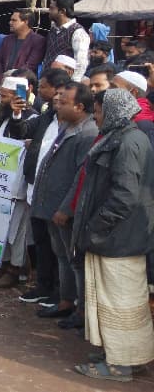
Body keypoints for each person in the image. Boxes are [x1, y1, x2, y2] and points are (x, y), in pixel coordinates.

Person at [71, 88, 154, 382]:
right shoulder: (124, 137)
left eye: (99, 110)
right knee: (121, 301)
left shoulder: (128, 142)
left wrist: (96, 227)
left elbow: (124, 196)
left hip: (117, 237)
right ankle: (127, 357)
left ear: (113, 111)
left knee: (118, 302)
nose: (96, 116)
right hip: (117, 235)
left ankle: (120, 365)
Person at [31, 82, 98, 323]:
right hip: (52, 206)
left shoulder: (87, 133)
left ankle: (80, 310)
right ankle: (66, 302)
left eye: (64, 102)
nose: (58, 104)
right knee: (61, 255)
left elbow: (81, 177)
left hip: (65, 210)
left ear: (80, 106)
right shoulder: (68, 126)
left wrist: (67, 208)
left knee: (74, 260)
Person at [10, 67, 72, 303]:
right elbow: (23, 131)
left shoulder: (76, 126)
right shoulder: (46, 117)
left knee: (60, 250)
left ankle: (60, 293)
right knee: (42, 243)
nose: (56, 100)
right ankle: (43, 285)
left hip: (58, 197)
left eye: (45, 87)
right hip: (35, 190)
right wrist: (17, 115)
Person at [0, 75, 38, 288]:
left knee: (18, 231)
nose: (1, 99)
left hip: (18, 186)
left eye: (5, 96)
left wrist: (17, 113)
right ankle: (1, 264)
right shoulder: (1, 116)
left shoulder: (32, 117)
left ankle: (16, 270)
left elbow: (21, 133)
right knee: (0, 227)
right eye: (0, 95)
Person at [43, 0, 89, 82]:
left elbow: (81, 62)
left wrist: (73, 84)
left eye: (52, 8)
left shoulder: (78, 32)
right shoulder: (53, 30)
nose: (49, 11)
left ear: (62, 12)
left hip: (64, 83)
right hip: (49, 81)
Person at [0, 9, 46, 83]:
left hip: (23, 84)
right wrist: (1, 78)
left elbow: (31, 65)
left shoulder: (38, 40)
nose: (10, 22)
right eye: (11, 20)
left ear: (25, 22)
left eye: (14, 20)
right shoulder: (7, 39)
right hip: (3, 83)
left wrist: (12, 77)